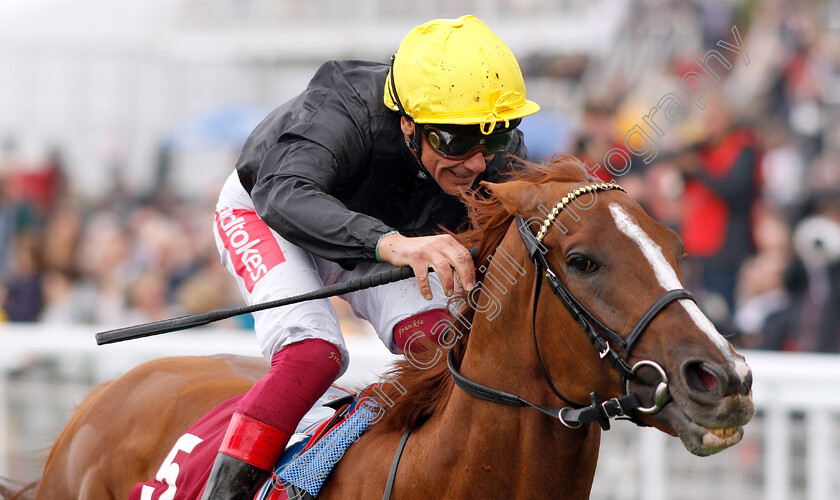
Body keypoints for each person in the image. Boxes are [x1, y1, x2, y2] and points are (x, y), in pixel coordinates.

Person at [204, 15, 539, 498]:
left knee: (440, 348)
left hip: (380, 231)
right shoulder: (344, 105)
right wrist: (395, 244)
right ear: (408, 123)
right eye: (457, 141)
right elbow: (282, 194)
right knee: (313, 355)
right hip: (270, 211)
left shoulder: (492, 151)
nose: (477, 162)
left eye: (496, 137)